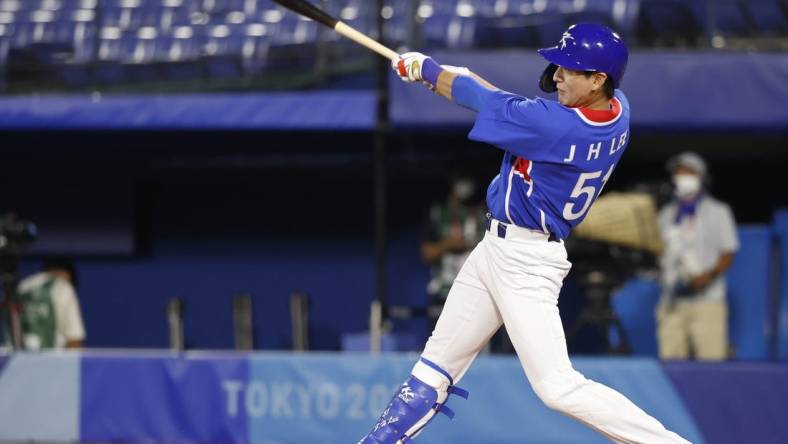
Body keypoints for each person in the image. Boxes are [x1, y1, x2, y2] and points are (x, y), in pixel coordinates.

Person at [359, 24, 689, 443]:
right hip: (497, 249)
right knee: (434, 366)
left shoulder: (557, 126)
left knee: (557, 387)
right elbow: (508, 105)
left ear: (598, 79)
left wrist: (426, 70)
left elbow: (482, 100)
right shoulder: (618, 111)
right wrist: (445, 73)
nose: (557, 76)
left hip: (526, 261)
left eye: (571, 70)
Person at [657, 151, 738, 361]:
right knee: (671, 365)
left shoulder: (719, 211)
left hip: (707, 300)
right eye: (678, 172)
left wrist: (708, 276)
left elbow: (729, 251)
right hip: (672, 301)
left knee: (711, 365)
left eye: (688, 172)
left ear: (700, 176)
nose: (681, 177)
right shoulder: (666, 214)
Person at [421, 176, 486, 307]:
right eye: (461, 175)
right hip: (444, 293)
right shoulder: (438, 212)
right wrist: (448, 244)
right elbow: (427, 253)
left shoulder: (484, 212)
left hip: (477, 293)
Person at [14, 258, 85, 350]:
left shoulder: (21, 287)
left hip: (17, 361)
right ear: (67, 275)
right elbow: (74, 338)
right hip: (51, 362)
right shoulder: (64, 288)